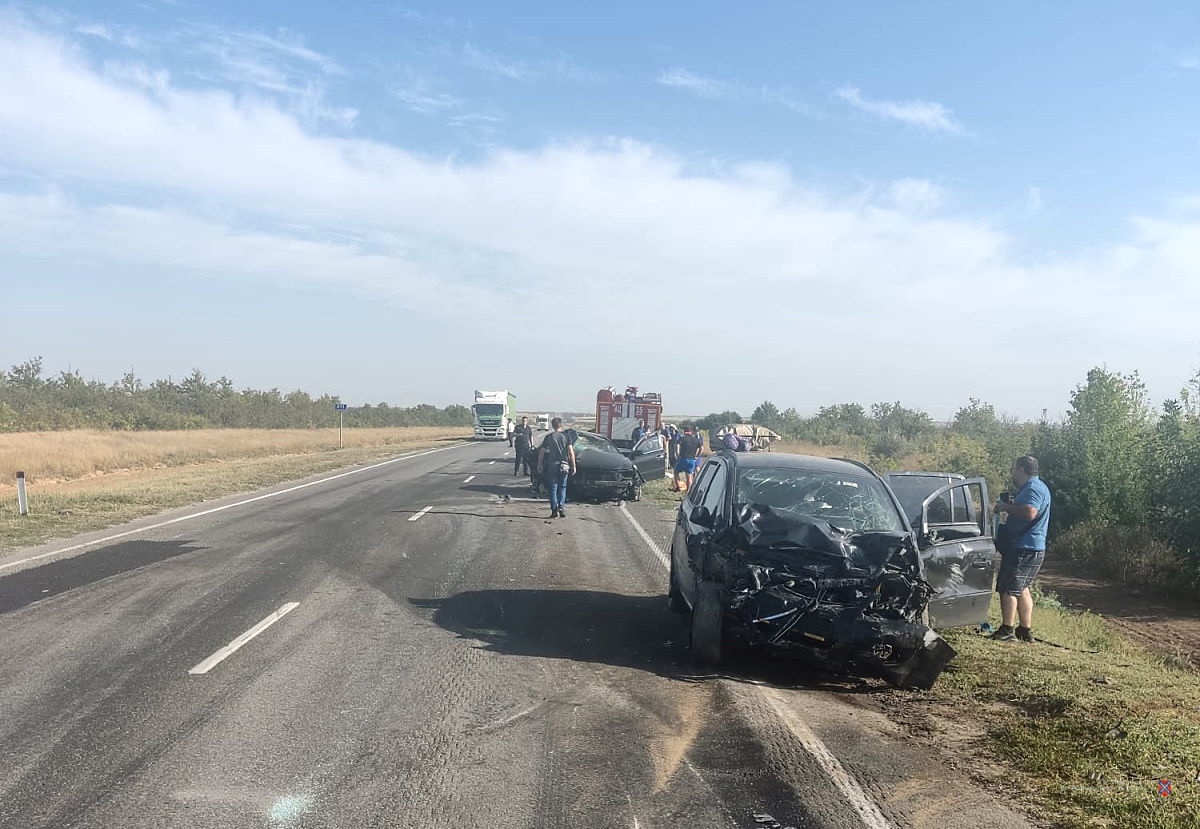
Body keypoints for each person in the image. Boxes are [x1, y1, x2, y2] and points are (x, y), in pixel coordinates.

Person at [991, 455, 1052, 642]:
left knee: (1008, 587)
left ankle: (1007, 630)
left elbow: (1030, 512)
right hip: (1031, 546)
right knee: (1022, 587)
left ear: (1021, 470)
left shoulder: (1033, 488)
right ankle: (1024, 630)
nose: (1013, 473)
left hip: (1024, 547)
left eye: (1015, 469)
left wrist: (1005, 507)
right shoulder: (1037, 487)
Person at [537, 417, 576, 519]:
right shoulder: (566, 436)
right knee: (563, 487)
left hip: (552, 465)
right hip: (564, 465)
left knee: (553, 488)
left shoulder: (549, 437)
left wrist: (539, 464)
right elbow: (570, 452)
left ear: (552, 425)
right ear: (561, 425)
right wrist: (573, 465)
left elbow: (541, 452)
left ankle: (554, 510)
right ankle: (561, 507)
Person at [672, 426, 704, 492]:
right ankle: (688, 491)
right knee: (689, 476)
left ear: (684, 432)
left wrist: (677, 454)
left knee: (676, 472)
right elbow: (702, 448)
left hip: (683, 458)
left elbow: (677, 446)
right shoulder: (696, 440)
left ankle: (678, 487)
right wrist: (697, 456)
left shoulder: (682, 438)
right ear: (691, 432)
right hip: (692, 460)